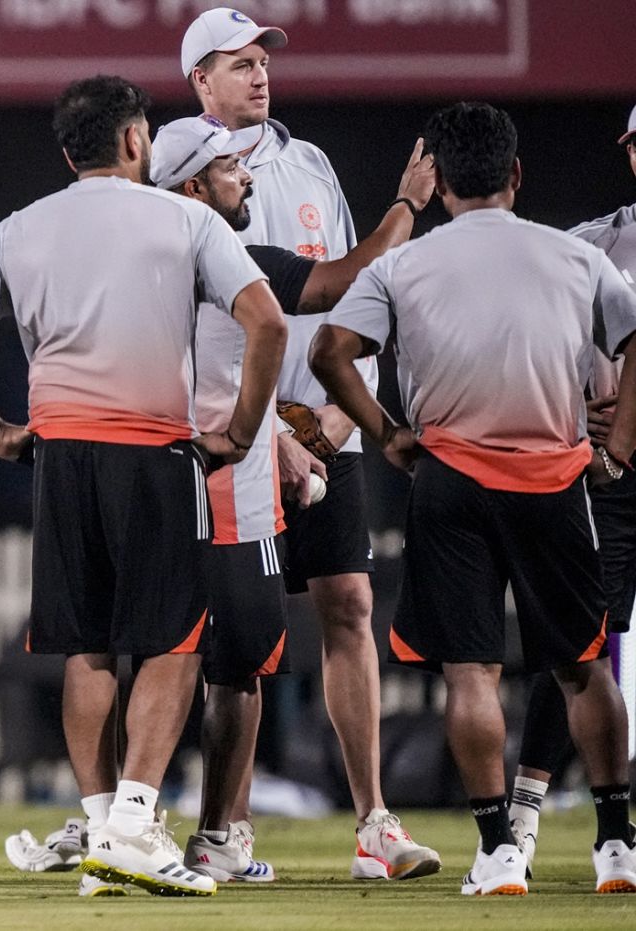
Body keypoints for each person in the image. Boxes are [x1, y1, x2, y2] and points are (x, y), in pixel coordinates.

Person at [0, 75, 285, 897]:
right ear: (137, 141)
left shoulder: (22, 227)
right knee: (173, 640)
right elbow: (269, 320)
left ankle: (104, 818)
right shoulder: (184, 218)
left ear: (68, 150)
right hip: (154, 448)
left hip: (60, 454)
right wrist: (245, 432)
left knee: (87, 644)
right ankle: (135, 824)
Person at [310, 101, 636, 896]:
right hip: (556, 475)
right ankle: (618, 843)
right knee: (584, 665)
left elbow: (329, 351)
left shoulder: (403, 264)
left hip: (451, 477)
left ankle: (496, 850)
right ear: (516, 175)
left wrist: (388, 434)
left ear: (443, 182)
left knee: (471, 673)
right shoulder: (573, 254)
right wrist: (619, 447)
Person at [149, 115, 442, 884]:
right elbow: (327, 286)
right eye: (236, 62)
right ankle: (206, 823)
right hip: (233, 452)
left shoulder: (309, 161)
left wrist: (348, 408)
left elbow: (356, 294)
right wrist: (407, 206)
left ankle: (372, 821)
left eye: (260, 59)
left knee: (342, 606)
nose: (258, 74)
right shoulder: (187, 230)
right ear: (199, 84)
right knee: (227, 640)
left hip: (314, 430)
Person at [507, 103, 636, 873]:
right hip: (615, 478)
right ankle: (520, 824)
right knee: (577, 648)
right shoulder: (587, 246)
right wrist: (573, 415)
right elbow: (528, 344)